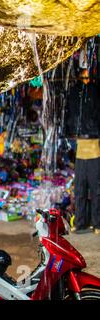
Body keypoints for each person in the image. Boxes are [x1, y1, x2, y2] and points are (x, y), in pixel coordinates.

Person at [65, 68, 100, 235]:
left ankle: (96, 223)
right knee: (80, 189)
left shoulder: (94, 91)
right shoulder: (74, 92)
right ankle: (81, 223)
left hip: (94, 147)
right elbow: (69, 115)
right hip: (82, 147)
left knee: (95, 189)